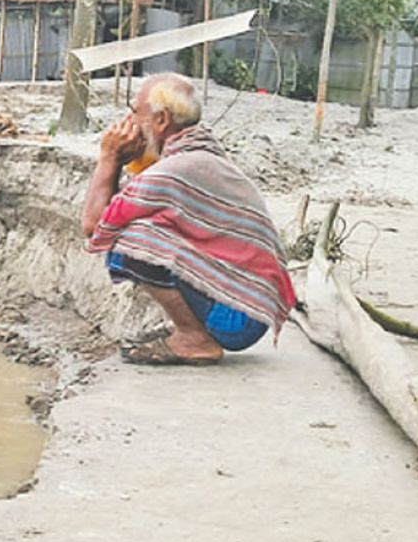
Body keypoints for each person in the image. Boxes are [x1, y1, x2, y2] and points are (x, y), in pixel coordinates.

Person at [81, 73, 296, 365]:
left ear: (161, 120)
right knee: (144, 229)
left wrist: (109, 157)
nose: (128, 120)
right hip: (247, 307)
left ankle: (194, 339)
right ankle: (190, 327)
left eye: (135, 112)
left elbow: (94, 226)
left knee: (125, 241)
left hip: (236, 319)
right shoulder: (200, 153)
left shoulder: (175, 169)